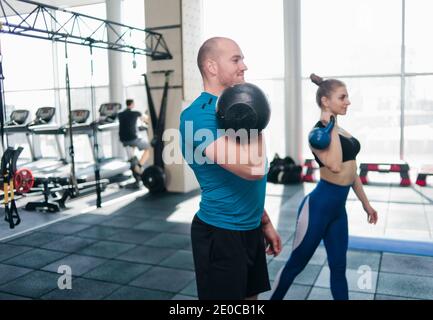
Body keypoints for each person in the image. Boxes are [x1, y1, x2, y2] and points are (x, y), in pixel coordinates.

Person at [179, 37, 282, 300]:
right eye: (236, 59)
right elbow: (252, 169)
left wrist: (264, 221)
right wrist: (255, 114)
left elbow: (242, 183)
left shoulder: (233, 110)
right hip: (220, 233)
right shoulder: (198, 116)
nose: (244, 66)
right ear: (212, 67)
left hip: (249, 227)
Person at [270, 74, 378, 300]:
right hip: (317, 209)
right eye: (343, 97)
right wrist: (330, 123)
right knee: (295, 265)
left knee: (339, 268)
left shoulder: (341, 132)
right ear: (326, 101)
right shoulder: (317, 135)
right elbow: (336, 165)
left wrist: (366, 204)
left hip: (338, 211)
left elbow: (352, 171)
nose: (348, 102)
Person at [118, 99, 150, 175]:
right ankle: (139, 166)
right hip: (132, 138)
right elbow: (147, 120)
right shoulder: (136, 113)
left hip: (123, 139)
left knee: (133, 148)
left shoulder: (120, 114)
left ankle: (133, 162)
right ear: (132, 104)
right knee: (149, 148)